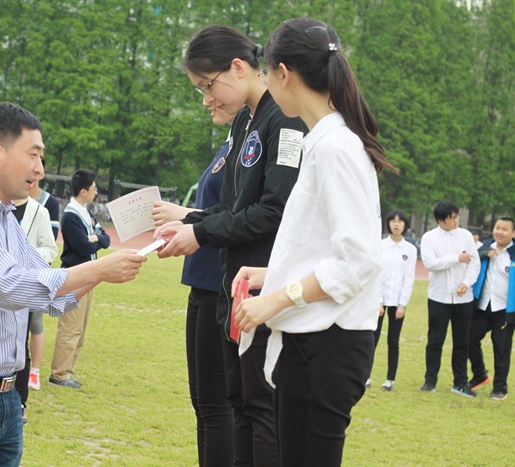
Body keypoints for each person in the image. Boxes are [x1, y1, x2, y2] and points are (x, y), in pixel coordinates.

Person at [0, 102, 145, 466]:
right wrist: (97, 271)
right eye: (33, 155)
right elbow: (9, 287)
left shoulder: (5, 219)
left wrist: (105, 268)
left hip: (5, 397)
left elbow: (51, 297)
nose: (40, 169)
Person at [232, 18, 396, 466]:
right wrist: (269, 274)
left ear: (284, 74)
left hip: (328, 342)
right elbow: (325, 248)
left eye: (266, 73)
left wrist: (274, 300)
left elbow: (359, 261)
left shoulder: (335, 148)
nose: (265, 83)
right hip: (316, 340)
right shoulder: (324, 142)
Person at [156, 25, 307, 465]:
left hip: (264, 290)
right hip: (231, 289)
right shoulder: (245, 120)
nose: (206, 99)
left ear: (238, 68)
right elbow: (231, 208)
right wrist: (191, 224)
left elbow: (273, 213)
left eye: (207, 86)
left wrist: (198, 232)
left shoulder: (286, 119)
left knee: (260, 410)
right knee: (238, 404)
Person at [151, 110, 235, 466]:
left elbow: (238, 214)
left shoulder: (258, 136)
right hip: (202, 280)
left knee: (217, 404)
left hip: (220, 281)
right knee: (202, 400)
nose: (206, 100)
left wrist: (184, 214)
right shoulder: (231, 139)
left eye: (209, 85)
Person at [50, 169, 110, 389]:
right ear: (83, 191)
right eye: (93, 189)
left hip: (89, 275)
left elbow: (106, 238)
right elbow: (84, 246)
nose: (95, 193)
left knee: (81, 327)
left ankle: (69, 370)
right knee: (70, 326)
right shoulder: (71, 215)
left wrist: (97, 238)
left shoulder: (86, 212)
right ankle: (59, 373)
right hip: (75, 275)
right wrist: (95, 239)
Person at [419, 200, 480, 396]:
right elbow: (430, 264)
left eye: (456, 216)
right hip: (439, 297)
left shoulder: (466, 236)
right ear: (440, 220)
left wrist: (466, 283)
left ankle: (460, 382)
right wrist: (456, 258)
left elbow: (474, 263)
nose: (455, 221)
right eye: (451, 218)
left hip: (463, 298)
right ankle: (430, 381)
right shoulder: (429, 238)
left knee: (461, 342)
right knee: (435, 341)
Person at [12, 193, 59, 421]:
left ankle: (20, 402)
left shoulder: (39, 211)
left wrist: (27, 255)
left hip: (27, 283)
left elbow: (50, 249)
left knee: (21, 344)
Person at [469, 216, 515, 400]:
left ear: (513, 233)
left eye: (505, 229)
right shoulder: (486, 247)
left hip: (505, 309)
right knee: (469, 339)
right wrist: (483, 254)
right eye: (497, 228)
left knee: (501, 347)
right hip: (483, 305)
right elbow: (472, 261)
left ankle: (499, 388)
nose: (499, 232)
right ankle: (480, 374)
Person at [373, 210, 417, 391]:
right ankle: (365, 375)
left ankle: (390, 378)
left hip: (397, 302)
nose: (396, 224)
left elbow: (409, 278)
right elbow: (375, 275)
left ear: (405, 225)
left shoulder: (410, 250)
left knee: (393, 341)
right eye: (393, 221)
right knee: (371, 340)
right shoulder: (380, 246)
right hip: (379, 302)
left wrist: (402, 304)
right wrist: (378, 301)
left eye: (400, 221)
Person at [26, 155, 58, 390]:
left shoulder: (47, 204)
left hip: (37, 273)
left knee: (35, 323)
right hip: (9, 275)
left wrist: (28, 256)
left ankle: (34, 371)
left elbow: (51, 243)